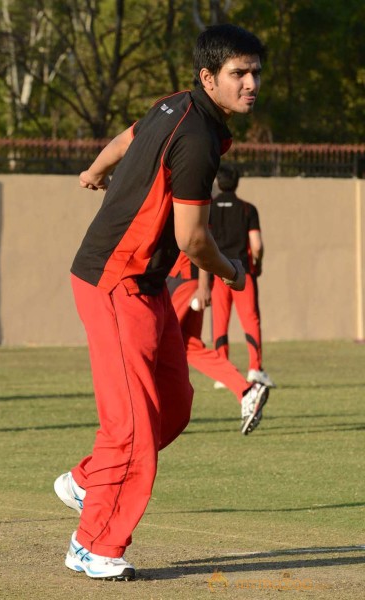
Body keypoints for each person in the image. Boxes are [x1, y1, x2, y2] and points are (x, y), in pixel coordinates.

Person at [54, 24, 267, 581]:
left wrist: (94, 170)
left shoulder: (175, 107)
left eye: (255, 73)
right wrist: (232, 271)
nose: (251, 84)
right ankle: (92, 543)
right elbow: (196, 239)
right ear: (208, 77)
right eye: (238, 74)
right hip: (112, 281)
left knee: (171, 406)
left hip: (144, 286)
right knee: (129, 429)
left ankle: (84, 481)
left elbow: (126, 140)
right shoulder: (195, 137)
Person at [167, 251, 269, 434]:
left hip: (184, 277)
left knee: (156, 342)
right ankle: (247, 391)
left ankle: (149, 415)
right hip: (187, 278)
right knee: (190, 347)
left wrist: (204, 285)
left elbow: (198, 239)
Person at [211, 163, 275, 388]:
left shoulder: (208, 208)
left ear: (218, 182)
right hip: (243, 272)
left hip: (217, 273)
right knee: (250, 320)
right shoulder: (248, 209)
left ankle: (222, 373)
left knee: (219, 322)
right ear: (237, 183)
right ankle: (255, 369)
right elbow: (256, 245)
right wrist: (258, 263)